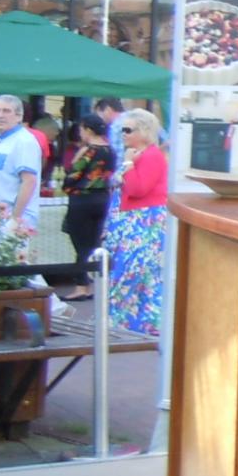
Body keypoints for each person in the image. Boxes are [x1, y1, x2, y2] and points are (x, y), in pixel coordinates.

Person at [104, 109, 168, 336]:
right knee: (140, 271)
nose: (123, 134)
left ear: (144, 131)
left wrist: (128, 165)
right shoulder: (135, 154)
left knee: (133, 269)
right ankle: (140, 321)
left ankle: (121, 319)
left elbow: (138, 189)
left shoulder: (151, 155)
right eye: (122, 129)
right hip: (131, 218)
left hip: (145, 220)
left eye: (128, 130)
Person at [58, 115, 114, 297]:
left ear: (88, 130)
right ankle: (89, 284)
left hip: (82, 200)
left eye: (82, 129)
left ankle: (82, 287)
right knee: (94, 242)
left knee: (81, 245)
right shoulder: (110, 150)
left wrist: (74, 163)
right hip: (103, 199)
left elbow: (72, 178)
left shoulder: (88, 151)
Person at [0, 94, 43, 238]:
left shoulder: (24, 142)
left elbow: (29, 181)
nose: (0, 115)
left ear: (19, 116)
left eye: (6, 111)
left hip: (10, 223)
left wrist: (15, 219)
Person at [94, 98, 125, 217]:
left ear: (107, 109)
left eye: (99, 114)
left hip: (121, 181)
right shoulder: (137, 119)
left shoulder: (116, 126)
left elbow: (116, 158)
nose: (100, 118)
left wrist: (112, 181)